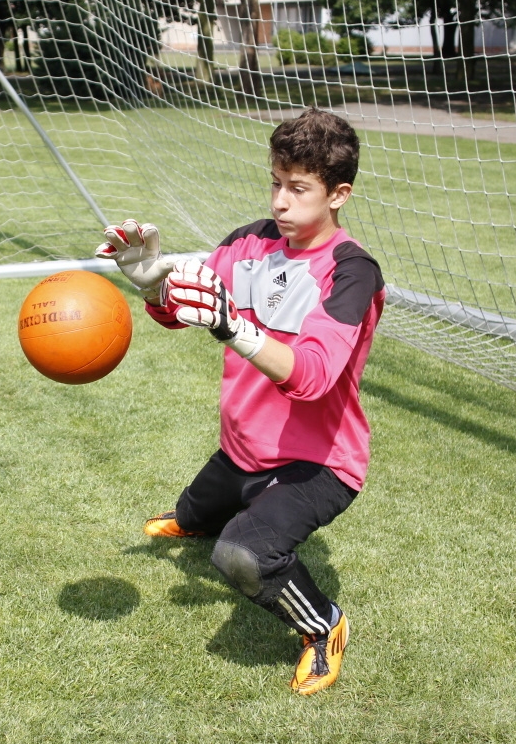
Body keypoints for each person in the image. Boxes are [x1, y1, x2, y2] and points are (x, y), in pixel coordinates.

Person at [97, 108, 383, 696]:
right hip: (242, 447)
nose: (281, 201)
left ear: (339, 195)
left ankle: (324, 626)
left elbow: (312, 377)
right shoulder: (249, 242)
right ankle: (212, 509)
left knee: (242, 556)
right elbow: (182, 310)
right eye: (276, 182)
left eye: (299, 188)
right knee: (193, 515)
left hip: (317, 462)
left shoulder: (351, 272)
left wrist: (236, 329)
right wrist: (152, 282)